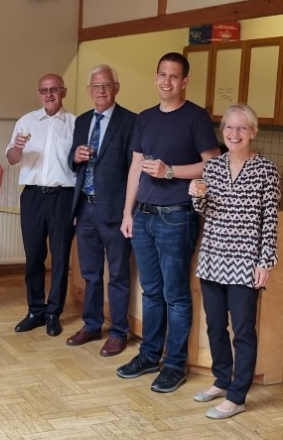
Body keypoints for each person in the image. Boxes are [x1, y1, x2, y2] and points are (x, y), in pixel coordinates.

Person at [116, 52, 218, 393]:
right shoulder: (145, 118)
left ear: (185, 81)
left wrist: (170, 171)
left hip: (177, 216)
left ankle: (174, 365)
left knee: (175, 295)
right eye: (162, 74)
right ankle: (149, 355)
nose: (167, 81)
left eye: (174, 76)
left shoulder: (196, 117)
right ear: (155, 77)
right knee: (152, 292)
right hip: (143, 216)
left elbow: (213, 163)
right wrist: (127, 212)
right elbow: (135, 167)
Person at [190, 104, 280, 420]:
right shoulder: (213, 167)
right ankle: (221, 380)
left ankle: (237, 395)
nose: (234, 133)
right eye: (229, 127)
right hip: (212, 257)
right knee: (215, 325)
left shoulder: (266, 170)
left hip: (245, 262)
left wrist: (265, 261)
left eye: (242, 127)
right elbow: (205, 211)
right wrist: (197, 195)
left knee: (242, 331)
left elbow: (270, 220)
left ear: (253, 132)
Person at [65, 65, 136, 357]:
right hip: (86, 208)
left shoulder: (131, 121)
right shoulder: (82, 121)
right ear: (88, 91)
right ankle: (92, 325)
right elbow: (72, 163)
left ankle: (118, 332)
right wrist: (76, 156)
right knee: (90, 273)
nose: (101, 90)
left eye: (106, 85)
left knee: (118, 275)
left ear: (116, 87)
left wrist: (129, 212)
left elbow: (134, 169)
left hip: (115, 211)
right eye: (96, 86)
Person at [7, 73, 77, 337]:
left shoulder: (75, 124)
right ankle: (35, 310)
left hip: (63, 197)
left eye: (54, 89)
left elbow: (81, 165)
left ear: (63, 92)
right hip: (33, 196)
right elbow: (12, 158)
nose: (49, 94)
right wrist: (17, 147)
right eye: (44, 90)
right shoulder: (26, 122)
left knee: (60, 257)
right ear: (38, 94)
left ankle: (53, 313)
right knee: (34, 256)